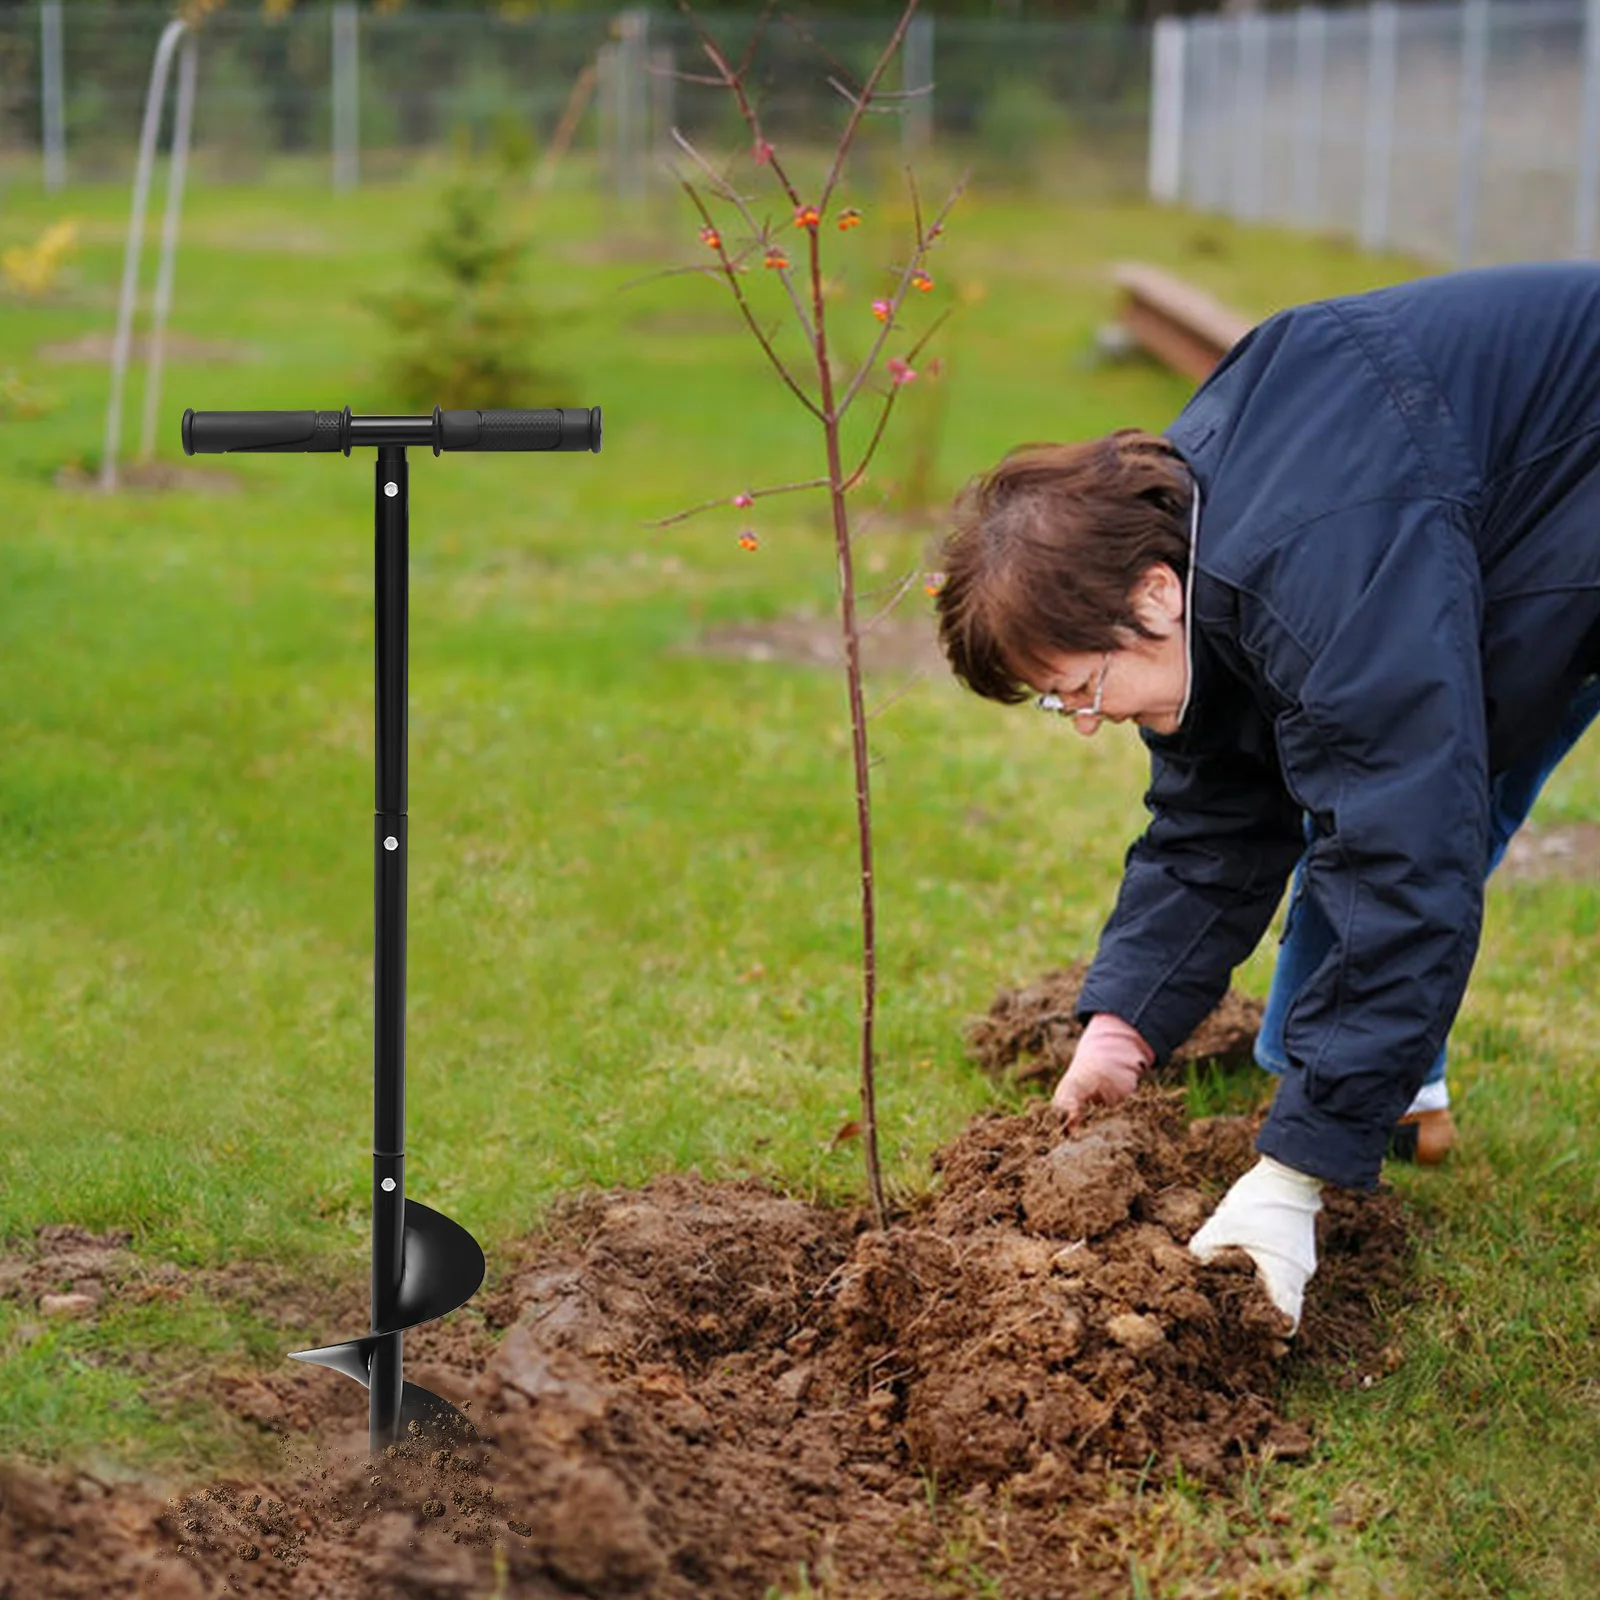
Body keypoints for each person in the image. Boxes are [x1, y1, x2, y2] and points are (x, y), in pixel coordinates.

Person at [934, 263, 1600, 1333]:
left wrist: (1293, 1173)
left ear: (1150, 595)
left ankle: (1359, 1097)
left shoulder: (1310, 567)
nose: (1089, 720)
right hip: (1510, 537)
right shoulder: (1200, 554)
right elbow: (1216, 813)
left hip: (1560, 507)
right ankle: (1378, 1081)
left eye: (1078, 689)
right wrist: (1123, 1025)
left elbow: (1397, 843)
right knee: (1415, 787)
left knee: (1412, 812)